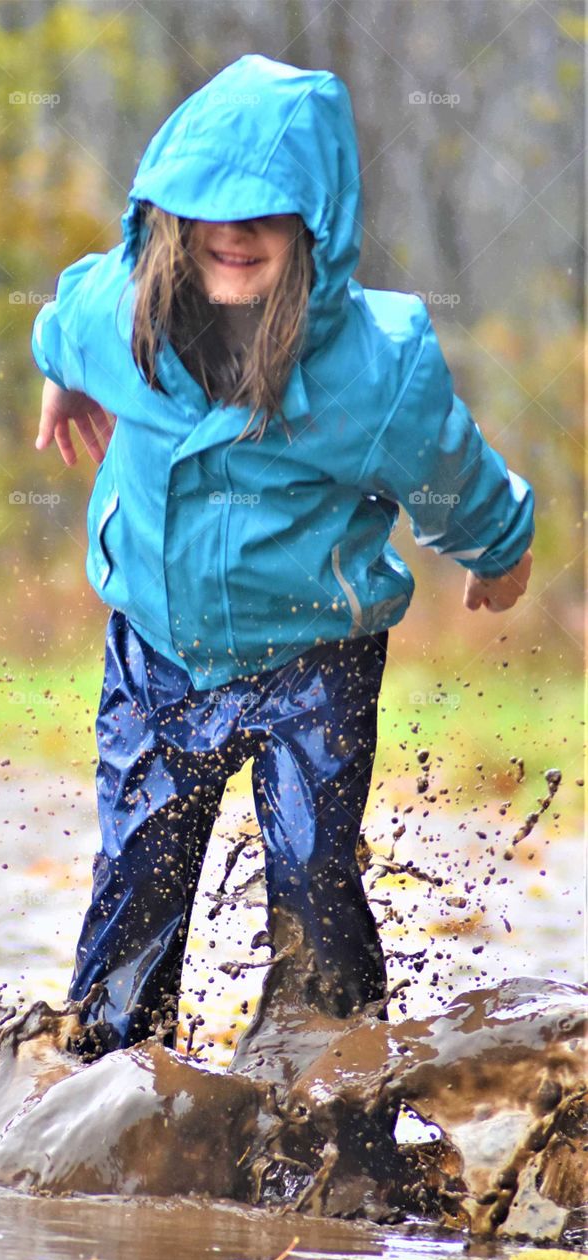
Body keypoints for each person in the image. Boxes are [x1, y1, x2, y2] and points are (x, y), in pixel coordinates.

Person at [30, 55, 534, 1058]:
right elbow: (63, 319)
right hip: (156, 648)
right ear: (167, 213)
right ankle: (108, 1086)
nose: (236, 231)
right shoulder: (116, 318)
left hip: (315, 656)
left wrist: (498, 541)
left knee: (312, 881)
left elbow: (445, 468)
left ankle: (328, 1095)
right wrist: (59, 377)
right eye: (210, 207)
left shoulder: (372, 367)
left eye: (267, 212)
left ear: (318, 227)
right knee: (137, 879)